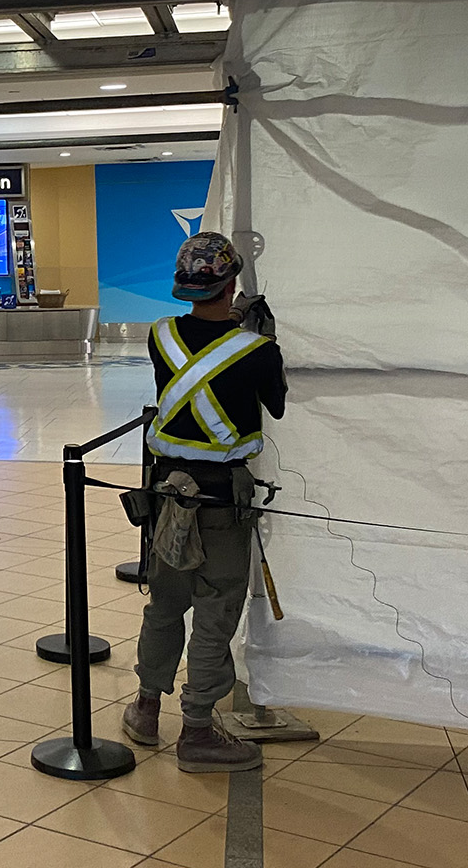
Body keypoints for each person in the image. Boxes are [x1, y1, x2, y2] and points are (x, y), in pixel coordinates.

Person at [122, 231, 286, 773]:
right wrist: (261, 336)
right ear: (231, 284)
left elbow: (198, 357)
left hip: (167, 494)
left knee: (165, 604)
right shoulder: (258, 351)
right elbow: (276, 405)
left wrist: (235, 327)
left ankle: (146, 709)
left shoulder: (160, 335)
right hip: (220, 500)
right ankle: (196, 731)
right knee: (216, 609)